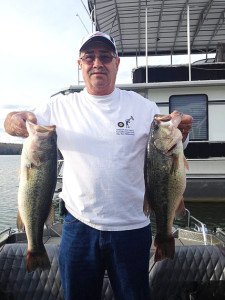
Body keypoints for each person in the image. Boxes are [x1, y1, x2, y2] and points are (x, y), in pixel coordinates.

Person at [4, 31, 193, 300]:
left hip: (132, 228)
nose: (97, 63)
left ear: (116, 64)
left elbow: (170, 136)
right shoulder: (60, 106)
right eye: (89, 57)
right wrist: (15, 120)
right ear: (80, 64)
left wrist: (183, 125)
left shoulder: (142, 107)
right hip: (78, 228)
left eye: (105, 57)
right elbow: (13, 120)